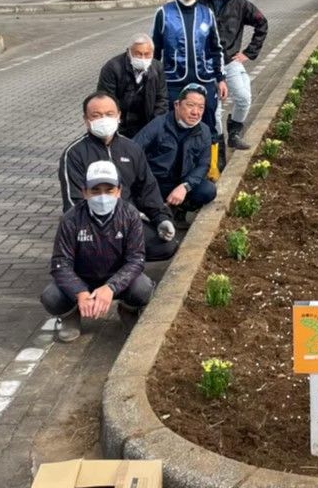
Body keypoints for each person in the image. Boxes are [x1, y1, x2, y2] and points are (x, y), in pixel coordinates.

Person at [57, 92, 179, 261]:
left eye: (109, 114)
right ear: (86, 120)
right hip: (91, 227)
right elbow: (73, 203)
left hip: (127, 221)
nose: (104, 119)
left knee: (166, 246)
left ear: (119, 116)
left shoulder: (132, 149)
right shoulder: (74, 154)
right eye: (96, 115)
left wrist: (161, 218)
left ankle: (123, 259)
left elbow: (147, 190)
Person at [42, 161, 151, 342]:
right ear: (84, 192)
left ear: (119, 191)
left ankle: (128, 310)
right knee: (51, 296)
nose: (102, 196)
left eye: (109, 190)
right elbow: (60, 264)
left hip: (116, 279)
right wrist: (79, 292)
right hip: (82, 280)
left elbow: (136, 260)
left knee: (143, 288)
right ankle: (70, 317)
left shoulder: (130, 215)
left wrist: (111, 287)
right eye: (95, 190)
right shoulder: (71, 219)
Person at [196, 0, 269, 151]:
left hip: (230, 61)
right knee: (215, 107)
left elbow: (262, 23)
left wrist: (249, 53)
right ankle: (217, 143)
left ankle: (234, 132)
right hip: (204, 65)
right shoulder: (197, 1)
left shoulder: (239, 3)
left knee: (243, 98)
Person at [152, 0, 226, 139]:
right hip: (173, 81)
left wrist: (221, 78)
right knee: (172, 125)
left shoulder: (206, 13)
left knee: (208, 122)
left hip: (204, 78)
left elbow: (216, 49)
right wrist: (153, 81)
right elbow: (155, 51)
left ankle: (210, 163)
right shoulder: (164, 13)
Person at [134, 83, 217, 213]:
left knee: (208, 190)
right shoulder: (159, 124)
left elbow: (203, 165)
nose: (196, 112)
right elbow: (134, 150)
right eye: (190, 105)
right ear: (177, 105)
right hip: (156, 182)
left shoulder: (204, 130)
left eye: (201, 107)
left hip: (182, 181)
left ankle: (180, 209)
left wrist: (185, 186)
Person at [96, 34, 167, 140]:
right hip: (121, 124)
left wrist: (154, 128)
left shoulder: (157, 68)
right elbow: (105, 101)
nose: (143, 58)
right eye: (138, 54)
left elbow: (161, 100)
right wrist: (115, 129)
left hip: (146, 123)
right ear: (129, 52)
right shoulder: (112, 68)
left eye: (147, 54)